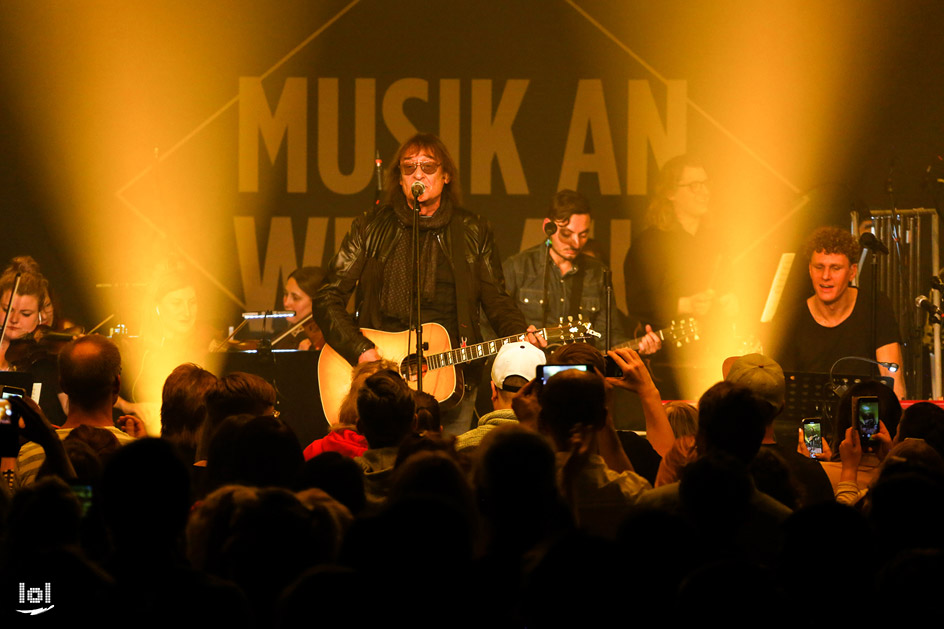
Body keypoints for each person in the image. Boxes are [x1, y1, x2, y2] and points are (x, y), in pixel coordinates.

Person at [312, 133, 541, 435]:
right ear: (400, 178)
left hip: (450, 378)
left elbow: (497, 300)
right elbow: (327, 297)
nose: (418, 173)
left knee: (443, 471)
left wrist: (520, 337)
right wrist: (361, 350)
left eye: (428, 167)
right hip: (384, 382)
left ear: (446, 175)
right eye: (409, 167)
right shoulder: (369, 226)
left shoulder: (472, 230)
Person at [502, 189, 660, 353]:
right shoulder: (517, 268)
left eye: (583, 235)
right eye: (566, 234)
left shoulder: (598, 273)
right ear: (547, 226)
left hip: (580, 373)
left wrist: (639, 347)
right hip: (529, 371)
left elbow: (609, 339)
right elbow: (495, 330)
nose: (576, 243)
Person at [773, 226, 906, 399]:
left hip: (864, 419)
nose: (826, 276)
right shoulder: (791, 319)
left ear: (852, 272)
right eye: (819, 267)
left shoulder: (875, 305)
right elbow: (783, 392)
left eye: (835, 268)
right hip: (811, 421)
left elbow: (893, 381)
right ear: (810, 270)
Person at [277, 266, 325, 350]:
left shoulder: (329, 340)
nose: (286, 303)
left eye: (295, 298)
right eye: (286, 294)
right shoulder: (287, 337)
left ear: (317, 301)